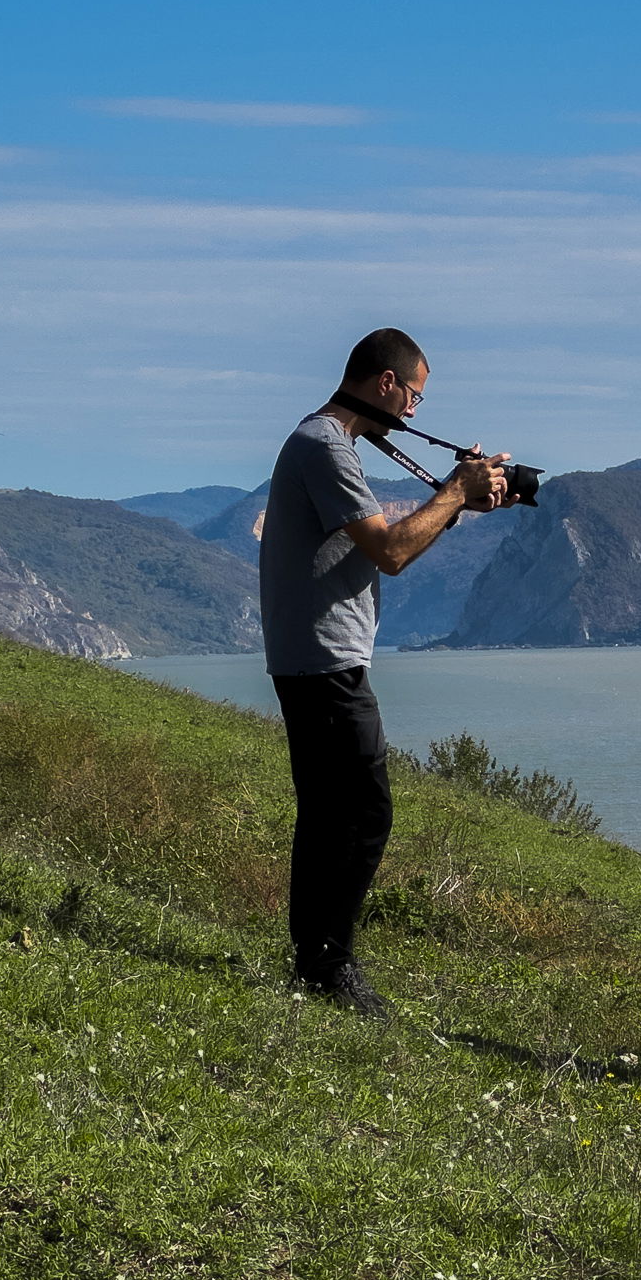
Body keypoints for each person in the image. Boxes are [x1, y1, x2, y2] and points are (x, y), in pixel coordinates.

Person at [259, 328, 513, 1018]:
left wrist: (460, 501)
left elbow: (380, 545)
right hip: (325, 660)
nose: (415, 415)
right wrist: (456, 491)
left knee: (327, 815)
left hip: (313, 657)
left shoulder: (323, 445)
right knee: (365, 814)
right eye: (416, 397)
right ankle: (330, 964)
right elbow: (392, 551)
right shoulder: (324, 446)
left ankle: (314, 959)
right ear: (387, 384)